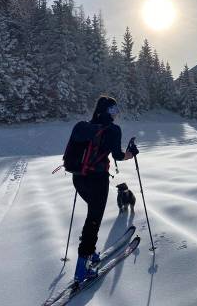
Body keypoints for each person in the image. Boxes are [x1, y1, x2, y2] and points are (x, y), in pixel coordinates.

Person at [73, 95, 138, 282]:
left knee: (91, 215)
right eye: (114, 110)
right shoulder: (113, 129)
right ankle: (81, 269)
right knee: (94, 220)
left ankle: (90, 252)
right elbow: (118, 156)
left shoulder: (85, 126)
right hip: (97, 180)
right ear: (108, 111)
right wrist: (131, 153)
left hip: (78, 178)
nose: (116, 114)